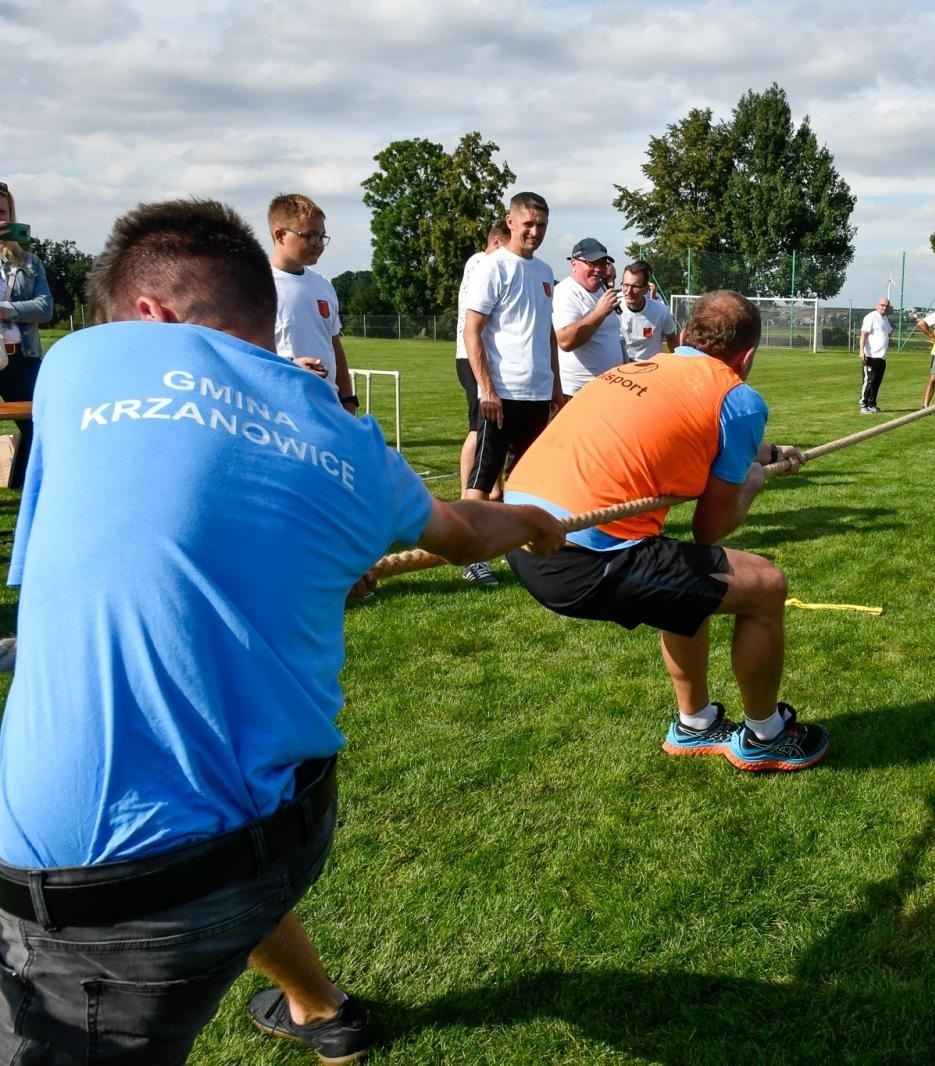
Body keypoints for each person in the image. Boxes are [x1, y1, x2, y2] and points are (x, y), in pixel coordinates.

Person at [0, 197, 565, 1065]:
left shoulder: (79, 362)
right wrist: (529, 520)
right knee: (213, 789)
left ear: (144, 315)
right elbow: (463, 534)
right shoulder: (351, 445)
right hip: (281, 830)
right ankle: (319, 1007)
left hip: (110, 902)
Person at [502, 290, 829, 773]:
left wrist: (765, 453)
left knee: (690, 587)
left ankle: (696, 724)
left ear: (689, 336)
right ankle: (767, 735)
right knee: (764, 586)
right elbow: (709, 528)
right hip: (582, 557)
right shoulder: (737, 398)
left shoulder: (633, 370)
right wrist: (755, 481)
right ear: (749, 355)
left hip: (521, 534)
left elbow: (681, 438)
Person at [460, 191, 564, 586]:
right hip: (502, 394)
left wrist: (553, 387)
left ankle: (520, 551)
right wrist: (486, 389)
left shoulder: (543, 271)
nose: (535, 232)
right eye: (528, 225)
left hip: (537, 393)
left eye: (541, 226)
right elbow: (473, 332)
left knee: (525, 479)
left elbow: (548, 336)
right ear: (510, 222)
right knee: (483, 479)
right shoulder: (493, 267)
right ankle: (471, 556)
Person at [267, 193, 359, 416]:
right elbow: (243, 351)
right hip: (280, 407)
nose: (318, 244)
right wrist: (291, 366)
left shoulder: (323, 285)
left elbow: (334, 345)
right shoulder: (257, 285)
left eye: (322, 236)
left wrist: (348, 400)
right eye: (309, 236)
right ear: (280, 235)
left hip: (328, 407)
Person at [0, 181, 54, 492]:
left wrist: (5, 310)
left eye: (2, 211)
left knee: (35, 425)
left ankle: (23, 489)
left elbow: (45, 308)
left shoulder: (28, 262)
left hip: (22, 355)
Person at [455, 219, 513, 502]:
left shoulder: (480, 262)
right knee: (478, 428)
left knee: (494, 428)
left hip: (481, 356)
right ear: (499, 242)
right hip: (471, 356)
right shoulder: (482, 263)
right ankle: (469, 491)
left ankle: (494, 487)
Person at [552, 238, 624, 395]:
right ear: (573, 263)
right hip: (577, 394)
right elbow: (565, 341)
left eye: (602, 264)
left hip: (608, 389)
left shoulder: (602, 290)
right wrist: (599, 313)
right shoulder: (565, 292)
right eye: (592, 263)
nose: (598, 269)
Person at [617, 260, 678, 363]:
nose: (628, 291)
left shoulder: (661, 311)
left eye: (635, 286)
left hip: (651, 372)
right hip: (621, 371)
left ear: (646, 289)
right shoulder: (612, 310)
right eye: (626, 285)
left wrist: (678, 367)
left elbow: (672, 341)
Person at [858, 297, 893, 413]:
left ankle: (872, 404)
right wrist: (861, 351)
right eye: (882, 305)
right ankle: (863, 405)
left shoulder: (885, 319)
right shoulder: (871, 317)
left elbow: (889, 332)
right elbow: (864, 334)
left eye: (887, 306)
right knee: (869, 381)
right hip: (870, 356)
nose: (884, 308)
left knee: (877, 382)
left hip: (881, 357)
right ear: (877, 305)